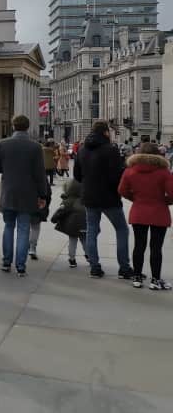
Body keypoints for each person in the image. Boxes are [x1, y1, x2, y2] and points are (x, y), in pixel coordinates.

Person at [0, 115, 48, 277]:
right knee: (23, 229)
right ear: (27, 127)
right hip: (28, 194)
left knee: (8, 227)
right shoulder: (35, 147)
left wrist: (7, 167)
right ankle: (21, 266)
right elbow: (40, 174)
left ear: (13, 126)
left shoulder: (3, 144)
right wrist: (43, 195)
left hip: (9, 192)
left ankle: (6, 262)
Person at [73, 120, 134, 280]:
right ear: (106, 132)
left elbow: (77, 175)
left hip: (89, 196)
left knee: (92, 231)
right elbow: (117, 175)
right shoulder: (111, 149)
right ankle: (124, 268)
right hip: (109, 197)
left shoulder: (82, 149)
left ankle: (95, 267)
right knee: (121, 229)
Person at [117, 143, 173, 290]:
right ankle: (155, 280)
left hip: (139, 211)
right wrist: (165, 201)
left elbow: (122, 190)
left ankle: (137, 277)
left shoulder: (130, 171)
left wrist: (135, 198)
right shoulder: (164, 172)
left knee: (139, 245)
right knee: (156, 248)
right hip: (159, 212)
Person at [50, 180, 88, 267]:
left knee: (72, 241)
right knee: (85, 240)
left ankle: (72, 259)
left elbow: (60, 211)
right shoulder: (85, 199)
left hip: (72, 227)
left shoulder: (68, 201)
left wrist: (54, 219)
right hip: (84, 224)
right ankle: (89, 256)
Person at [28, 184, 51, 261]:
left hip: (25, 203)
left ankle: (25, 247)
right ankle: (32, 248)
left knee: (24, 228)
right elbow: (48, 192)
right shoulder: (42, 177)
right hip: (38, 204)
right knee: (35, 228)